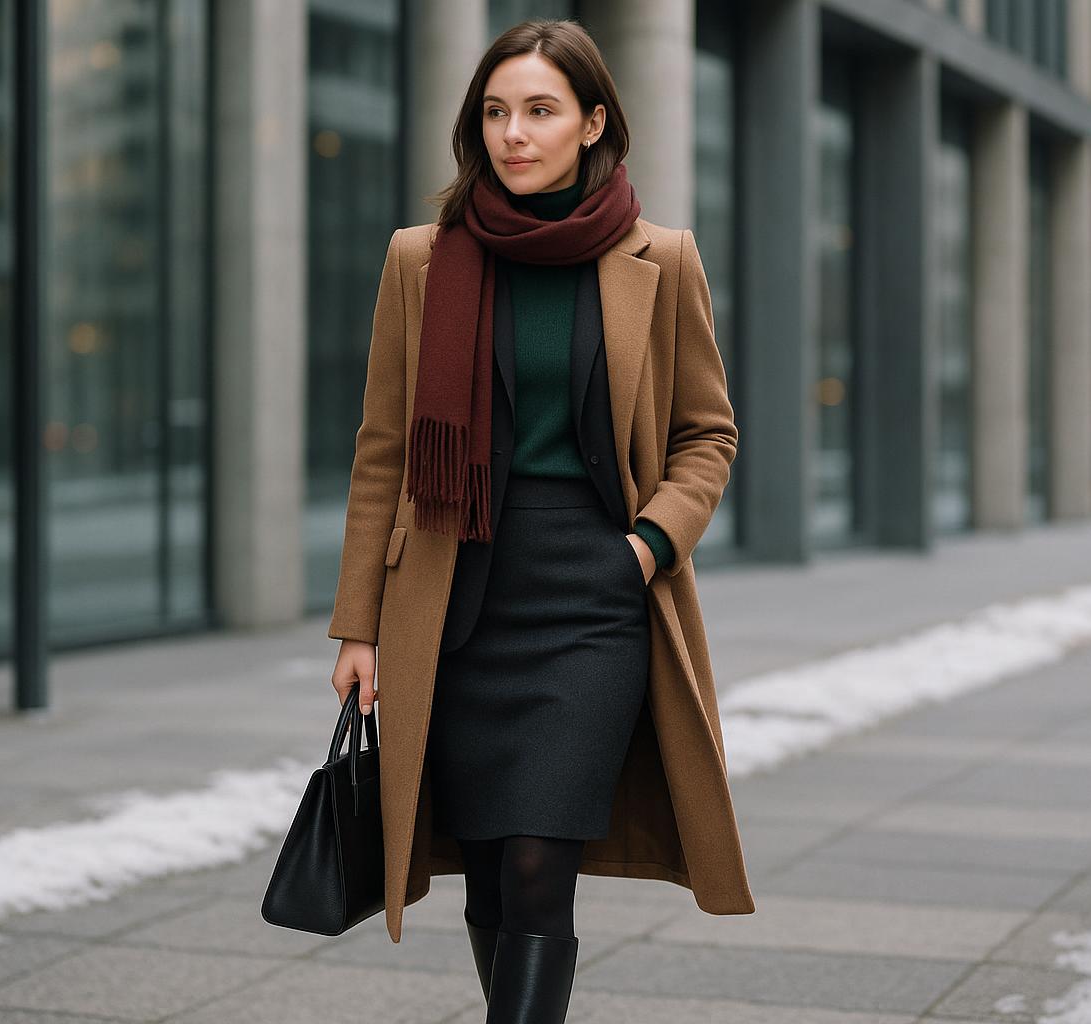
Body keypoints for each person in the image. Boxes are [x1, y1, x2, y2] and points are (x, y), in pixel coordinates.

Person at [326, 18, 755, 1023]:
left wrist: (645, 547)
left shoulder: (663, 259)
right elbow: (383, 450)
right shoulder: (421, 261)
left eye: (540, 110)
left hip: (595, 600)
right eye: (494, 112)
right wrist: (357, 624)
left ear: (593, 121)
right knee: (485, 869)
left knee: (535, 863)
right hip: (456, 596)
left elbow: (708, 434)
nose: (513, 133)